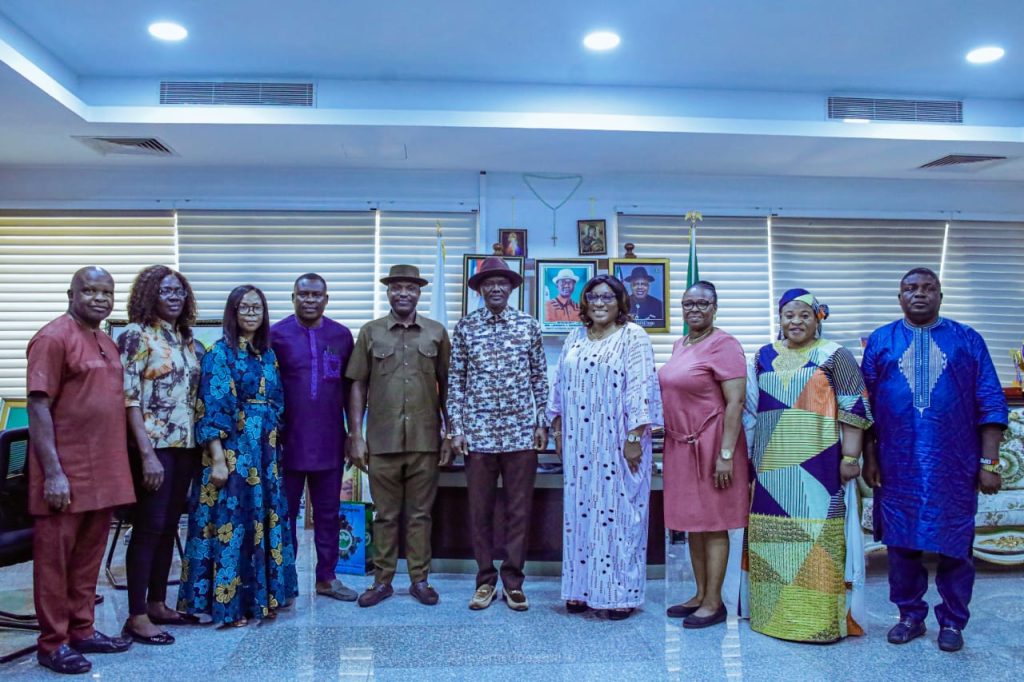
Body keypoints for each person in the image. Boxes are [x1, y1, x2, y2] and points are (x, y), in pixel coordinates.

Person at [862, 268, 1008, 653]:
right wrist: (870, 457)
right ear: (899, 297)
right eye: (911, 288)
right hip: (897, 464)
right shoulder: (882, 340)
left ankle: (953, 622)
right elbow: (865, 407)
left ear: (941, 296)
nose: (920, 294)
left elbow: (991, 401)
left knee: (955, 544)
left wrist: (989, 463)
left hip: (954, 463)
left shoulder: (967, 339)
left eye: (929, 288)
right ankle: (909, 616)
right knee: (900, 543)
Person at [745, 288, 873, 643]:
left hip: (819, 465)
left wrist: (850, 457)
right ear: (779, 320)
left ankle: (816, 622)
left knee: (818, 539)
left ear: (818, 317)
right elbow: (751, 413)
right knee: (772, 540)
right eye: (788, 315)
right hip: (770, 467)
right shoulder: (763, 355)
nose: (795, 321)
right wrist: (749, 465)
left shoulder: (836, 355)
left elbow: (855, 408)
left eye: (804, 314)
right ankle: (773, 617)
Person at [26, 267, 134, 674]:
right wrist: (53, 473)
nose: (99, 298)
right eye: (89, 290)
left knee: (88, 558)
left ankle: (82, 630)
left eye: (106, 291)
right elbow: (38, 405)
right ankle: (52, 643)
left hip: (104, 470)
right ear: (70, 293)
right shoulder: (53, 338)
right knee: (56, 562)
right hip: (65, 473)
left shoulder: (106, 339)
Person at [177, 285, 298, 626]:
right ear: (232, 312)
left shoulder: (268, 354)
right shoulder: (218, 354)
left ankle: (263, 597)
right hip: (231, 455)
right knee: (234, 527)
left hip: (265, 455)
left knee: (264, 524)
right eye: (243, 307)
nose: (250, 313)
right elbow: (212, 410)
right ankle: (230, 607)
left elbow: (278, 402)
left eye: (256, 307)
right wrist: (218, 460)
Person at [548, 274, 662, 620]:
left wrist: (633, 439)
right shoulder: (574, 336)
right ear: (584, 303)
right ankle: (581, 589)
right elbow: (560, 387)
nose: (599, 303)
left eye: (607, 297)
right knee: (580, 518)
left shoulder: (633, 336)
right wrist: (557, 431)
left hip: (618, 443)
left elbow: (641, 387)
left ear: (620, 302)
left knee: (619, 518)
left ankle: (618, 594)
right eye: (593, 297)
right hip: (580, 444)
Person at [346, 264, 451, 607]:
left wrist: (450, 433)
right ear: (388, 292)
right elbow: (358, 383)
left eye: (410, 288)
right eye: (397, 287)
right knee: (386, 515)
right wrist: (355, 435)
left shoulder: (435, 333)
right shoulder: (371, 332)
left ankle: (420, 580)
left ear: (419, 293)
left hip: (425, 441)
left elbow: (449, 388)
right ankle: (382, 581)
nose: (403, 293)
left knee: (421, 515)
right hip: (382, 440)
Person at [447, 256, 549, 612]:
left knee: (519, 509)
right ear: (479, 290)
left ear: (511, 288)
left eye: (501, 283)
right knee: (480, 509)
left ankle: (514, 581)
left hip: (521, 433)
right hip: (478, 433)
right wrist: (456, 429)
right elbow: (456, 381)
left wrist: (541, 422)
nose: (495, 288)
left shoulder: (528, 325)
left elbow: (539, 377)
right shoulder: (465, 328)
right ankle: (485, 580)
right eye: (488, 283)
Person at [118, 265, 202, 645]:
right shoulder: (136, 335)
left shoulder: (184, 337)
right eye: (166, 291)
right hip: (154, 448)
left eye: (179, 291)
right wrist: (146, 454)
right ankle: (136, 615)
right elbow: (128, 399)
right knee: (149, 528)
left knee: (170, 527)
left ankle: (157, 603)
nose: (174, 297)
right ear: (150, 294)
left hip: (184, 447)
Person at [658, 281, 749, 629]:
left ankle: (715, 602)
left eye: (702, 304)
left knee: (713, 525)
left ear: (715, 308)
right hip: (682, 444)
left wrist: (725, 453)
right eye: (688, 304)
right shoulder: (681, 343)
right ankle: (699, 594)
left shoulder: (725, 345)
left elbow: (735, 403)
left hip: (714, 445)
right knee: (693, 525)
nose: (694, 309)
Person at [270, 273, 356, 602]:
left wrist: (353, 434)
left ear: (326, 299)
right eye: (303, 294)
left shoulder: (341, 336)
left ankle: (327, 577)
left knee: (328, 512)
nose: (309, 300)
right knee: (284, 513)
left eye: (316, 294)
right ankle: (283, 580)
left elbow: (352, 390)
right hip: (286, 441)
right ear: (292, 298)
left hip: (330, 439)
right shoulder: (275, 335)